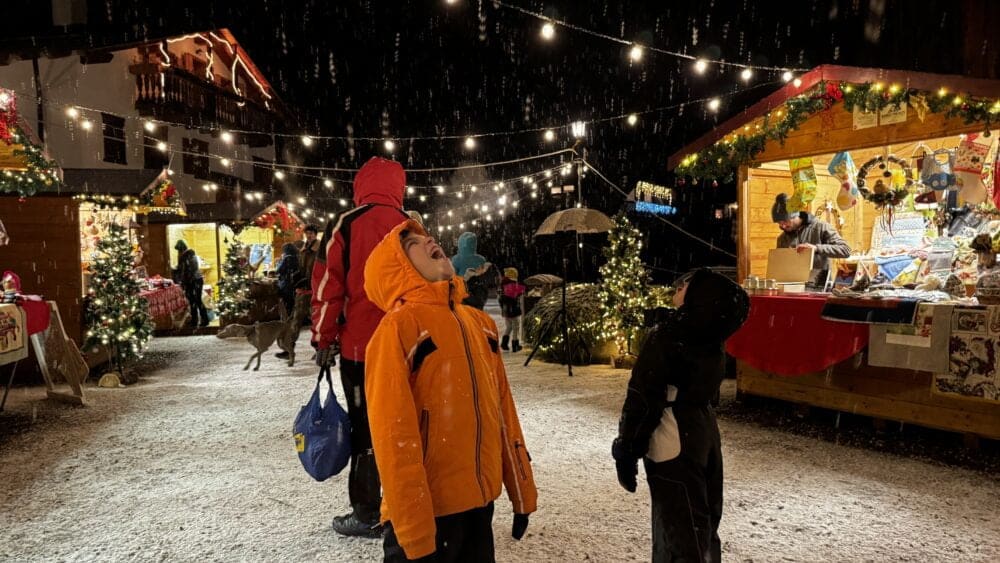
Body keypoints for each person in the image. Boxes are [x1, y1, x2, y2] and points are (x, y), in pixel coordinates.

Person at [364, 219, 538, 562]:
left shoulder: (481, 325)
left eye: (427, 234)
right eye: (412, 242)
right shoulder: (398, 329)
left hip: (478, 507)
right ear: (397, 265)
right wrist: (414, 534)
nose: (428, 239)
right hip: (428, 515)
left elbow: (503, 413)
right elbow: (393, 440)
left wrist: (521, 490)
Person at [612, 269, 749, 563]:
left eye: (687, 284)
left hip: (672, 431)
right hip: (703, 429)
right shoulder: (712, 333)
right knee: (703, 520)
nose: (679, 287)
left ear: (701, 295)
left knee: (679, 524)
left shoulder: (670, 336)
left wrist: (627, 449)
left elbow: (643, 397)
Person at [311, 156, 409, 538]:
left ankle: (368, 512)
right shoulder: (411, 227)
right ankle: (406, 508)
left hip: (360, 351)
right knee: (404, 428)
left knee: (366, 432)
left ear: (360, 185)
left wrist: (323, 339)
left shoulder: (346, 225)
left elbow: (326, 287)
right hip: (405, 349)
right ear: (398, 186)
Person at [772, 193, 851, 289]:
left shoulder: (821, 227)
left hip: (821, 289)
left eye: (785, 221)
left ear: (795, 215)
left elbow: (845, 250)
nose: (783, 226)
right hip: (792, 291)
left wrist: (817, 248)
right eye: (779, 223)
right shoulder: (782, 239)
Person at [173, 240, 209, 327]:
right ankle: (204, 320)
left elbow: (183, 271)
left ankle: (195, 321)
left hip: (192, 281)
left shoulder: (184, 257)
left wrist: (180, 279)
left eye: (178, 250)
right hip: (198, 279)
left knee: (193, 301)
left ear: (180, 250)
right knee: (198, 300)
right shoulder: (192, 255)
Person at [499, 267, 526, 352]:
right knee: (515, 327)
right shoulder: (512, 285)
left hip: (506, 310)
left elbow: (501, 299)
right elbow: (513, 298)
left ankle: (504, 343)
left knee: (509, 326)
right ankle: (515, 345)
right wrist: (519, 293)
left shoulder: (503, 284)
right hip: (513, 310)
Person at [276, 242, 300, 317]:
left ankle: (288, 317)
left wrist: (279, 261)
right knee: (293, 301)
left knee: (287, 301)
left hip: (286, 283)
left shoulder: (286, 258)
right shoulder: (298, 257)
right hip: (296, 282)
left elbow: (279, 270)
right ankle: (294, 315)